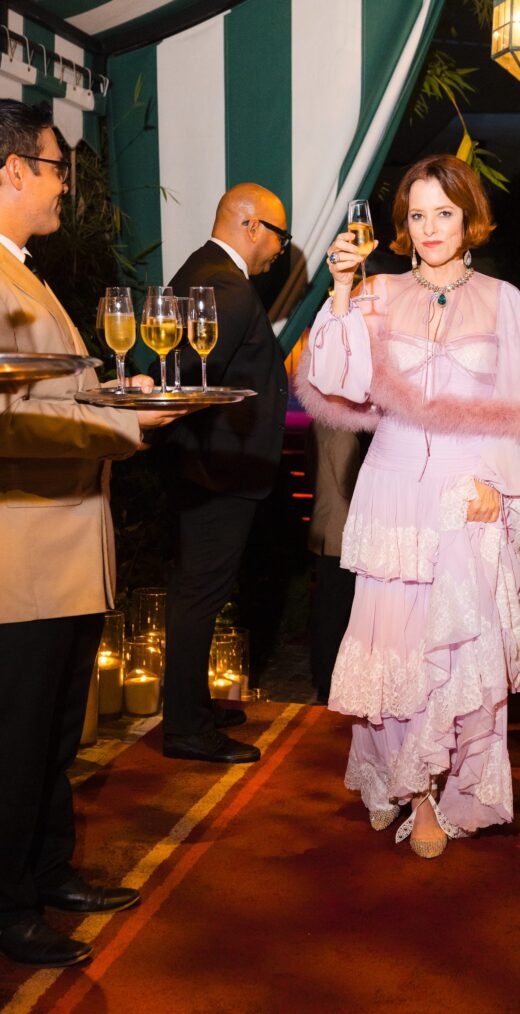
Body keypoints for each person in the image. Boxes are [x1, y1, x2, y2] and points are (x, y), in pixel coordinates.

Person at [296, 155, 520, 857]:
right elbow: (333, 384)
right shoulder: (377, 292)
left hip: (465, 493)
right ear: (401, 225)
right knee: (394, 645)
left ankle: (447, 789)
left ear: (469, 217)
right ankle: (408, 788)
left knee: (452, 651)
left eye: (443, 213)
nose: (429, 228)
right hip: (393, 486)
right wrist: (338, 288)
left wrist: (501, 487)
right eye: (416, 215)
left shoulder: (505, 300)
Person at [0, 100, 183, 968]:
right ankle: (10, 906)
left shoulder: (23, 270)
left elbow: (49, 398)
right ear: (10, 171)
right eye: (55, 167)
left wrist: (116, 392)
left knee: (55, 733)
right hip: (23, 556)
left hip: (65, 548)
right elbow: (11, 426)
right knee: (17, 738)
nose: (64, 185)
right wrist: (125, 425)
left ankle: (47, 870)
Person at [156, 184, 289, 764]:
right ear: (252, 226)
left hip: (203, 468)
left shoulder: (199, 268)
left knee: (195, 593)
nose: (282, 250)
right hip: (218, 472)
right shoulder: (227, 288)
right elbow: (181, 380)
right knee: (198, 597)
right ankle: (186, 727)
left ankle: (192, 704)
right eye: (280, 236)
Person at [306, 421, 364, 703]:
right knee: (335, 613)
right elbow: (348, 486)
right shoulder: (344, 433)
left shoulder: (319, 426)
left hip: (324, 526)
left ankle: (322, 675)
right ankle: (329, 680)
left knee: (326, 610)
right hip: (340, 534)